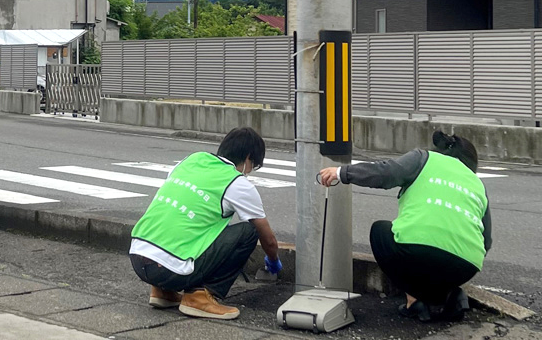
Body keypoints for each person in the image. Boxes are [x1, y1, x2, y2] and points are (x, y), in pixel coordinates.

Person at [318, 130, 492, 322]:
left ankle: (414, 301)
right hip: (466, 266)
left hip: (416, 251)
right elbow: (486, 241)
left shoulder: (424, 159)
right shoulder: (477, 184)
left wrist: (342, 172)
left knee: (380, 232)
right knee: (440, 263)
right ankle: (450, 295)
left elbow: (385, 173)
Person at [129, 127, 281, 320]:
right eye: (254, 166)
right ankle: (200, 296)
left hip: (138, 258)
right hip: (171, 269)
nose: (250, 172)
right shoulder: (237, 183)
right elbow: (267, 239)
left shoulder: (191, 160)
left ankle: (162, 291)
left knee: (188, 223)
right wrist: (274, 262)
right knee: (249, 231)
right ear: (248, 158)